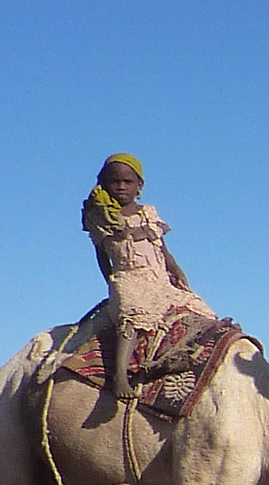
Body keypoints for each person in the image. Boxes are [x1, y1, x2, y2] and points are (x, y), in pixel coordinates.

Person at [82, 154, 214, 402]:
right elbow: (101, 254)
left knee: (200, 310)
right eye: (115, 181)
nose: (122, 187)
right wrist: (111, 281)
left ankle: (180, 358)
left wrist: (175, 270)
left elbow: (161, 248)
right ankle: (120, 374)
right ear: (104, 183)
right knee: (132, 314)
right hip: (127, 276)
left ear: (139, 186)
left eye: (128, 181)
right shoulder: (100, 218)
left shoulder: (149, 214)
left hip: (159, 277)